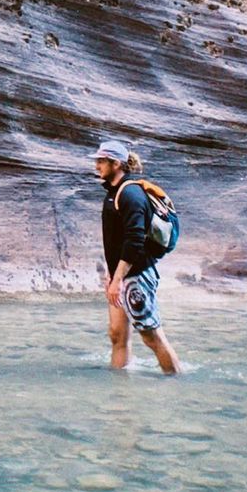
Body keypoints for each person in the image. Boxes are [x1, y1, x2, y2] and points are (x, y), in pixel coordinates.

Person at [94, 139, 181, 375]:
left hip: (137, 276)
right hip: (122, 276)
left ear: (116, 164)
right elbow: (116, 240)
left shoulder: (131, 194)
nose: (97, 166)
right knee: (117, 334)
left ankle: (176, 380)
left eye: (101, 161)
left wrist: (118, 279)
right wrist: (112, 275)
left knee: (151, 336)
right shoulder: (114, 192)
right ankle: (120, 387)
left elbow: (134, 240)